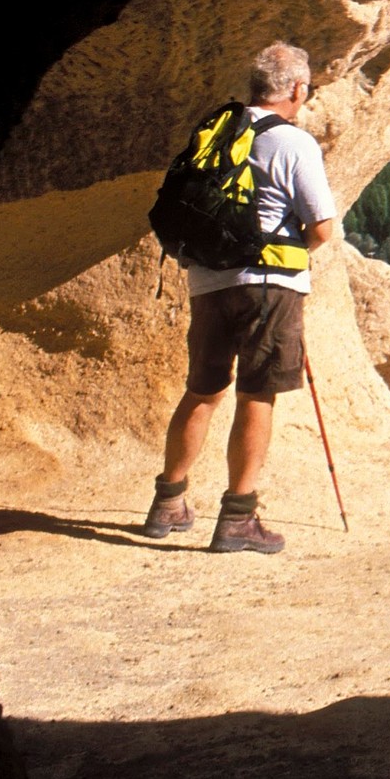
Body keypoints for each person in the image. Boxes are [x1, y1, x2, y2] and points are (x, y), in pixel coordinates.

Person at [139, 42, 340, 553]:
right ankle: (238, 518)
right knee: (257, 393)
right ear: (297, 89)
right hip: (269, 285)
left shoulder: (216, 132)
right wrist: (290, 250)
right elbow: (321, 227)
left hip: (207, 280)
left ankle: (167, 502)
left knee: (203, 390)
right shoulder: (294, 144)